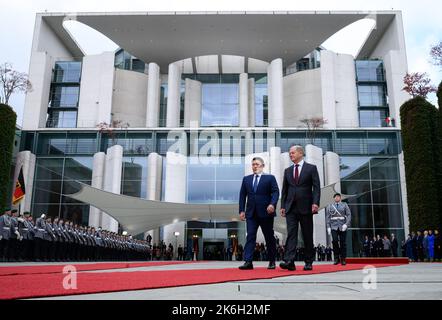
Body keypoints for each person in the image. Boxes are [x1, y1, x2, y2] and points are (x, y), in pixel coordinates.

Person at [280, 145, 321, 271]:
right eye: (289, 153)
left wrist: (315, 203)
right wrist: (282, 206)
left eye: (292, 153)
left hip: (306, 207)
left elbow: (316, 188)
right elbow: (285, 190)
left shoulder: (311, 168)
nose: (290, 155)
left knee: (307, 234)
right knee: (291, 234)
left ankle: (308, 261)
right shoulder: (287, 171)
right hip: (291, 207)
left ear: (300, 153)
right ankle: (289, 261)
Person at [238, 157, 279, 270]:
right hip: (251, 214)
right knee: (250, 236)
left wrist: (272, 204)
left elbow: (275, 192)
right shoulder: (246, 179)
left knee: (269, 237)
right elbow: (242, 196)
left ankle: (272, 261)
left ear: (263, 165)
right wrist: (241, 210)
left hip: (266, 212)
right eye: (253, 164)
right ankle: (248, 261)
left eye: (257, 164)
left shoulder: (270, 178)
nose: (254, 166)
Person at [325, 193, 351, 265]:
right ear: (334, 198)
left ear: (340, 198)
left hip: (342, 226)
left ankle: (343, 259)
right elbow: (328, 217)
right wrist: (328, 227)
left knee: (343, 243)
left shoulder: (344, 205)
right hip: (334, 226)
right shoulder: (330, 206)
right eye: (336, 197)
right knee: (335, 241)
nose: (337, 198)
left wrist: (346, 224)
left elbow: (349, 215)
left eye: (338, 197)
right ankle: (336, 258)